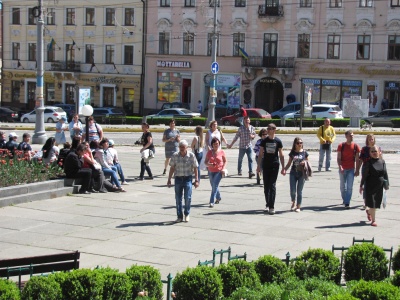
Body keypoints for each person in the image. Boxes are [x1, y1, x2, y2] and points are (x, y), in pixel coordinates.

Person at [256, 123, 285, 215]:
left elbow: (281, 154)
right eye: (267, 128)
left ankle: (272, 206)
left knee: (272, 185)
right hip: (266, 165)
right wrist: (258, 166)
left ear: (274, 130)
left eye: (270, 129)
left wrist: (283, 167)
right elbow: (260, 154)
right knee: (266, 186)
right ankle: (268, 203)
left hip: (275, 165)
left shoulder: (278, 141)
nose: (268, 130)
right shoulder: (264, 141)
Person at [167, 140, 199, 223]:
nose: (181, 149)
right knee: (178, 199)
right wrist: (169, 179)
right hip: (178, 179)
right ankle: (179, 216)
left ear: (187, 148)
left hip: (188, 179)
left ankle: (187, 213)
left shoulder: (191, 156)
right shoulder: (175, 155)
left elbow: (195, 168)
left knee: (187, 198)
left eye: (183, 147)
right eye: (180, 147)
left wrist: (196, 180)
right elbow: (172, 168)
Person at [359, 145, 389, 227]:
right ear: (370, 153)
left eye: (375, 151)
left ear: (379, 152)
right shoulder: (368, 163)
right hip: (370, 186)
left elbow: (385, 173)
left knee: (376, 204)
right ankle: (373, 220)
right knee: (373, 203)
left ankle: (369, 212)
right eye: (372, 152)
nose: (374, 153)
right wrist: (361, 185)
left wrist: (387, 184)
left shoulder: (382, 162)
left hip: (379, 186)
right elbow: (364, 175)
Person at [283, 137, 309, 212]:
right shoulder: (292, 153)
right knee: (293, 191)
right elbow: (289, 163)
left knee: (299, 191)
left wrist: (305, 162)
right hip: (293, 173)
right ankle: (293, 201)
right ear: (295, 144)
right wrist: (284, 169)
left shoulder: (304, 152)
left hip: (302, 174)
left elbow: (308, 162)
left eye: (301, 143)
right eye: (298, 143)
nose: (300, 144)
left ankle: (298, 206)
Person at [337, 130, 361, 209]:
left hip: (351, 169)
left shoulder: (355, 146)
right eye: (350, 135)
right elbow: (339, 158)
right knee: (342, 186)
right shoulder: (341, 145)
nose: (352, 137)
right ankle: (345, 199)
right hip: (343, 168)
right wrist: (340, 166)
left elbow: (357, 159)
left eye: (353, 135)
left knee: (349, 187)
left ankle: (347, 202)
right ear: (346, 136)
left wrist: (357, 170)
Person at [205, 138, 227, 207]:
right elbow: (205, 162)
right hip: (211, 171)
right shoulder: (209, 152)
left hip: (219, 171)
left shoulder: (222, 152)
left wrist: (223, 168)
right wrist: (210, 164)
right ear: (212, 145)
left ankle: (211, 201)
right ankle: (218, 197)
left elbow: (225, 161)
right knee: (214, 186)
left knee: (214, 184)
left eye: (217, 143)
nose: (216, 145)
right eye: (214, 144)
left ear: (219, 144)